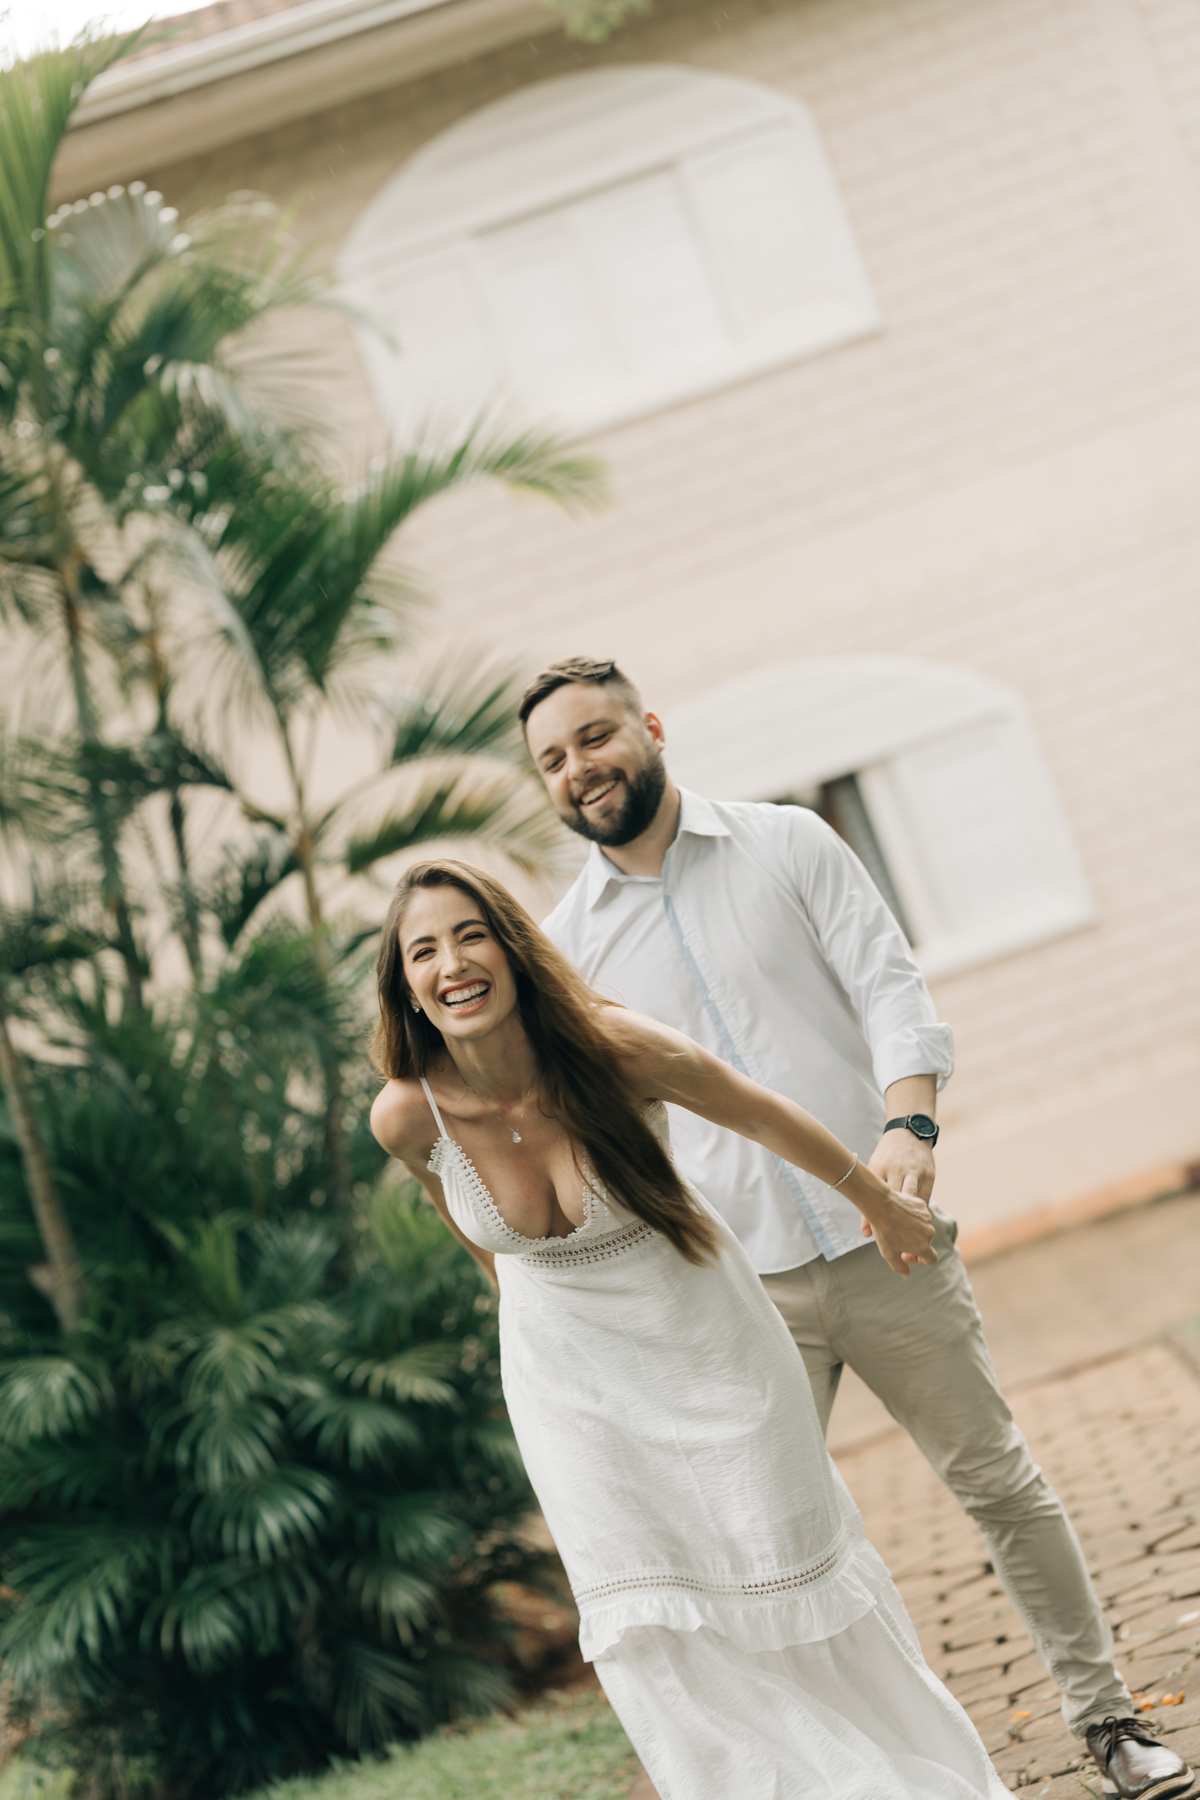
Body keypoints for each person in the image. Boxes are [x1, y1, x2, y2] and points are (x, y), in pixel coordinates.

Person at [523, 655, 1193, 1800]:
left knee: (998, 1481)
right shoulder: (566, 951)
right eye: (552, 759)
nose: (579, 769)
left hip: (888, 1237)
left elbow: (889, 987)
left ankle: (1106, 1719)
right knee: (767, 1550)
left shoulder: (788, 845)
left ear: (650, 727)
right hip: (736, 1292)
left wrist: (908, 1133)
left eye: (594, 737)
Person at [370, 857, 1009, 1800]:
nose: (452, 962)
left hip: (707, 1343)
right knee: (651, 1625)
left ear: (511, 949)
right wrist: (523, 1338)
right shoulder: (405, 1117)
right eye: (423, 949)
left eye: (470, 934)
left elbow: (759, 1113)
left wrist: (880, 1201)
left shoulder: (614, 1050)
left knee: (782, 1580)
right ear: (406, 986)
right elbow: (484, 1248)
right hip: (571, 1390)